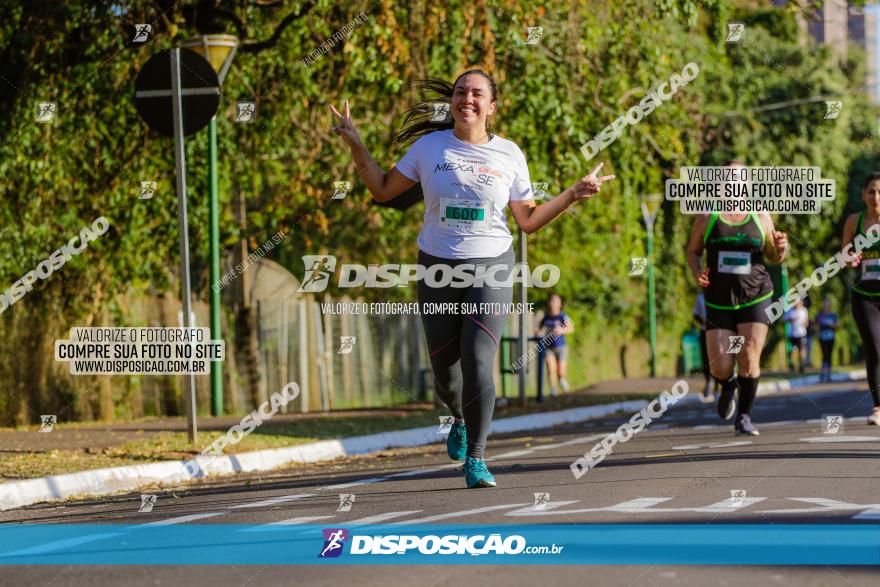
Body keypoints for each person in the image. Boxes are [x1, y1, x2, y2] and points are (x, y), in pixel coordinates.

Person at [330, 69, 615, 487]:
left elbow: (529, 221)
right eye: (461, 92)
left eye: (477, 93)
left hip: (493, 265)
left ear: (491, 106)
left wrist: (572, 194)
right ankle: (458, 415)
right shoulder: (429, 148)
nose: (467, 99)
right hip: (437, 267)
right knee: (446, 370)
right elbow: (382, 190)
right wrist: (355, 144)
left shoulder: (510, 154)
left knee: (480, 360)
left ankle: (478, 458)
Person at [685, 161, 789, 436]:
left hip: (755, 296)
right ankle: (728, 384)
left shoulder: (760, 216)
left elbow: (773, 256)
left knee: (749, 356)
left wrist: (781, 248)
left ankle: (743, 416)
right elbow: (692, 251)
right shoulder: (707, 217)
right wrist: (697, 273)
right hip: (718, 299)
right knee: (720, 366)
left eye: (739, 180)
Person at [841, 172, 880, 426]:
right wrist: (849, 258)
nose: (876, 196)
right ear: (863, 195)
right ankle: (878, 407)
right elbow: (843, 257)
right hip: (865, 295)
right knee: (875, 349)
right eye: (871, 191)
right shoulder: (854, 221)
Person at [535, 293, 574, 397]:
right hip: (549, 347)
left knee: (560, 371)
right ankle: (553, 390)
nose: (553, 303)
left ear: (560, 304)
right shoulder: (546, 317)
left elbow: (571, 328)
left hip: (561, 347)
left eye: (555, 301)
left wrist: (562, 330)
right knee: (550, 368)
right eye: (551, 300)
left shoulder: (562, 316)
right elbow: (539, 329)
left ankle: (562, 380)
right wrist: (537, 332)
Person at [693, 291, 716, 402]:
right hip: (705, 331)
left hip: (719, 332)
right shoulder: (700, 296)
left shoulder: (720, 294)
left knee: (718, 357)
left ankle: (719, 385)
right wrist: (702, 321)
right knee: (706, 358)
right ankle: (708, 382)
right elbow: (695, 314)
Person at [815, 297, 839, 383]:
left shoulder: (833, 315)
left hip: (831, 338)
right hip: (822, 338)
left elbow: (837, 327)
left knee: (829, 356)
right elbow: (816, 326)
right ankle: (822, 374)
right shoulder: (819, 315)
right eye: (824, 304)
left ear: (829, 305)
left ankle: (828, 375)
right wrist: (817, 334)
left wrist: (831, 325)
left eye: (827, 304)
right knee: (824, 356)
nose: (825, 305)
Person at [784, 299, 809, 373]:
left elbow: (806, 321)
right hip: (792, 334)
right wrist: (791, 319)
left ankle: (802, 365)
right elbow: (784, 320)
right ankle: (792, 365)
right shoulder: (790, 311)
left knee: (802, 349)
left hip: (801, 334)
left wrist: (805, 324)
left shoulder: (804, 310)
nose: (796, 304)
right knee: (793, 350)